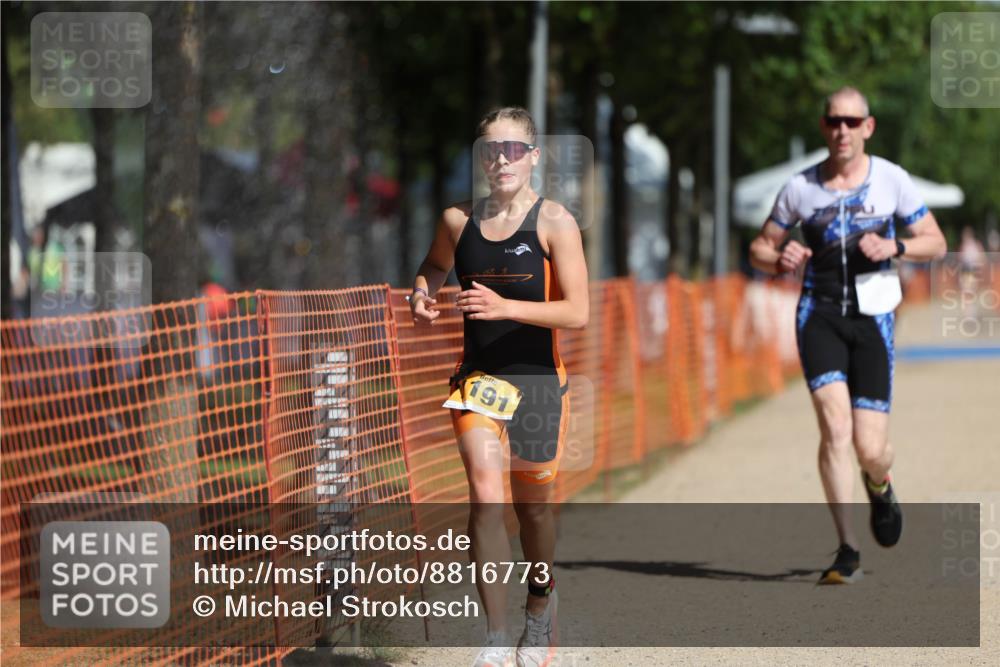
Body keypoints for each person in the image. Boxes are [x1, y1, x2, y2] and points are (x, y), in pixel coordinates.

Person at [410, 107, 588, 666]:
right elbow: (433, 266)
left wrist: (504, 305)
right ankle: (493, 637)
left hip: (538, 381)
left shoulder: (556, 222)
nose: (501, 159)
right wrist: (422, 292)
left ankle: (540, 604)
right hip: (478, 381)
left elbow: (577, 312)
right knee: (485, 498)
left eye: (513, 149)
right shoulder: (457, 221)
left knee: (532, 510)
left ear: (534, 156)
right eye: (491, 149)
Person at [749, 87, 947, 584]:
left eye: (852, 122)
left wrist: (896, 245)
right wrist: (779, 258)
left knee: (869, 446)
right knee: (834, 429)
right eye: (834, 121)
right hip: (819, 315)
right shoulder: (800, 187)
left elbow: (936, 242)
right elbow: (760, 247)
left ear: (868, 127)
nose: (842, 130)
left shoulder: (891, 181)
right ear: (824, 126)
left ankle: (880, 484)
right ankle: (847, 550)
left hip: (873, 318)